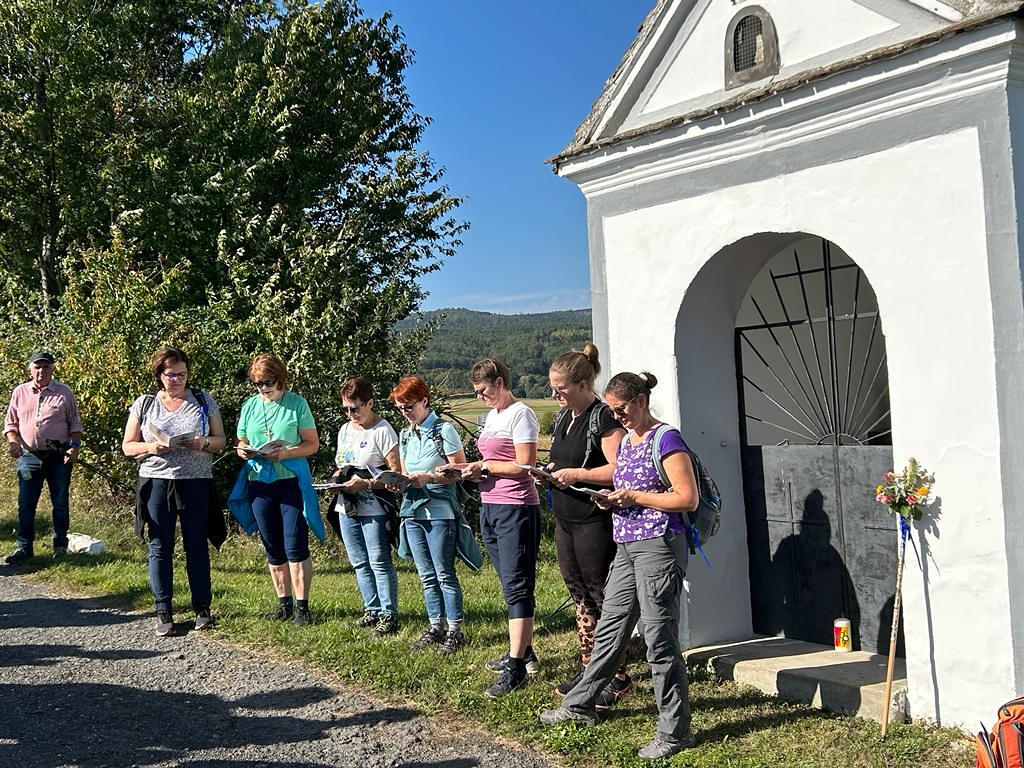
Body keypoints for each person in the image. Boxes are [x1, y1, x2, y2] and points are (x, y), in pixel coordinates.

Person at [540, 371, 700, 761]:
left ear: (641, 401)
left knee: (659, 640)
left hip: (659, 547)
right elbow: (627, 488)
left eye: (621, 409)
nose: (617, 417)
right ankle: (579, 706)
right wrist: (610, 498)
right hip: (627, 545)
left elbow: (687, 498)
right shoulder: (628, 440)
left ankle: (675, 732)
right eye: (612, 410)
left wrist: (635, 497)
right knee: (610, 630)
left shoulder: (667, 439)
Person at [543, 345, 629, 703]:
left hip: (595, 520)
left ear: (581, 384)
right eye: (552, 388)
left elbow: (619, 469)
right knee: (578, 593)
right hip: (566, 518)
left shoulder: (603, 417)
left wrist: (578, 474)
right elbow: (561, 458)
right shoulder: (565, 416)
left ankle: (617, 674)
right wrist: (550, 471)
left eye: (560, 388)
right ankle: (589, 665)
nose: (554, 394)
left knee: (601, 594)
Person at [121, 347, 227, 636]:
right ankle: (163, 609)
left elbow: (221, 440)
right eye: (171, 375)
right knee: (160, 545)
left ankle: (202, 608)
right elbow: (128, 446)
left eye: (182, 374)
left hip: (196, 480)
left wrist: (204, 443)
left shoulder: (203, 400)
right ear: (159, 375)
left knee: (196, 544)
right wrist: (151, 447)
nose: (178, 380)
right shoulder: (144, 404)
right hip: (156, 480)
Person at [458, 358, 541, 698]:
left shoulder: (521, 414)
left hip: (516, 507)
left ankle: (516, 667)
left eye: (483, 390)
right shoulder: (493, 416)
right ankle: (523, 649)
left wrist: (486, 466)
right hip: (490, 504)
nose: (480, 397)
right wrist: (472, 471)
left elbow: (526, 465)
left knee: (518, 584)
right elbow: (490, 463)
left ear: (500, 383)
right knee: (508, 580)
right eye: (476, 392)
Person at [234, 355, 320, 625]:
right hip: (259, 482)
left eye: (268, 382)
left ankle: (302, 607)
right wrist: (243, 450)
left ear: (280, 378)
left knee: (295, 542)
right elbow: (241, 439)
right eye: (258, 383)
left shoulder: (297, 404)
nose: (263, 388)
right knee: (271, 544)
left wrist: (285, 454)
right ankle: (283, 604)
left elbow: (312, 444)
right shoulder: (250, 405)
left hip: (290, 480)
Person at [392, 376, 468, 655]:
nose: (405, 412)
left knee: (444, 573)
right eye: (400, 408)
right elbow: (404, 471)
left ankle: (455, 630)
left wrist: (431, 478)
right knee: (425, 574)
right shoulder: (405, 434)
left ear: (424, 401)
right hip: (412, 510)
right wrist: (397, 482)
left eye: (409, 406)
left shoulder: (443, 430)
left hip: (439, 510)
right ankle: (435, 626)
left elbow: (460, 470)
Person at [331, 376, 401, 638]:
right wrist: (335, 481)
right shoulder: (345, 429)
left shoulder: (383, 430)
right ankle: (371, 609)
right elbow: (341, 464)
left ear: (370, 403)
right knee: (359, 561)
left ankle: (388, 614)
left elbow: (396, 474)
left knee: (379, 561)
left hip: (374, 506)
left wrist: (368, 483)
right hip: (346, 505)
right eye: (345, 409)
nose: (350, 414)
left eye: (355, 408)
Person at [4, 351, 82, 563]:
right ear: (30, 369)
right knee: (26, 502)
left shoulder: (64, 392)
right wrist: (13, 442)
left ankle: (60, 547)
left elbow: (75, 423)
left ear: (52, 368)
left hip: (58, 456)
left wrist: (74, 447)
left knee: (60, 501)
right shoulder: (20, 392)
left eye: (46, 366)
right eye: (37, 367)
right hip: (28, 456)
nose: (41, 371)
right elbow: (10, 423)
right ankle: (24, 547)